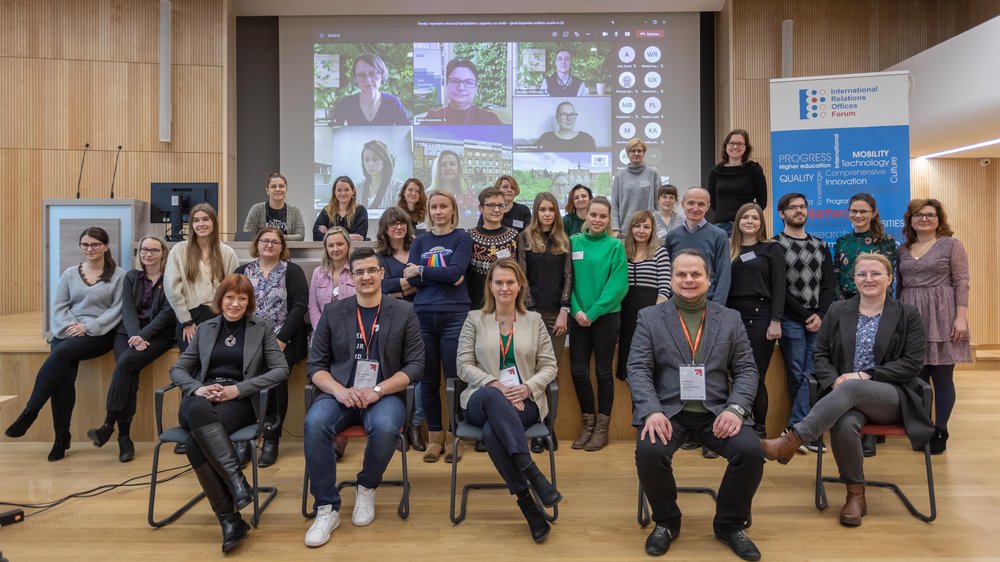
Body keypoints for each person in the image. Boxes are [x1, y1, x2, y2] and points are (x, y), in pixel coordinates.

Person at [762, 253, 932, 528]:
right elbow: (820, 354)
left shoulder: (907, 314)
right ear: (853, 279)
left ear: (890, 278)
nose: (868, 279)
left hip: (892, 396)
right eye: (862, 274)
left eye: (876, 273)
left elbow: (912, 364)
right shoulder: (839, 310)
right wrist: (834, 381)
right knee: (844, 422)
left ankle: (791, 441)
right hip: (844, 397)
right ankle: (855, 495)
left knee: (852, 388)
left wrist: (864, 375)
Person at [628, 250, 763, 560]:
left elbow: (746, 370)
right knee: (649, 452)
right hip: (668, 412)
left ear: (708, 279)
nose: (688, 280)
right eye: (681, 274)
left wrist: (736, 409)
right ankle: (666, 522)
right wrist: (651, 411)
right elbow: (637, 368)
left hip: (716, 411)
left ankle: (729, 524)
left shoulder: (729, 318)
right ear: (672, 279)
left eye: (695, 274)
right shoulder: (650, 317)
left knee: (750, 451)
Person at [303, 247, 424, 547]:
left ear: (382, 273)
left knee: (385, 429)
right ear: (352, 276)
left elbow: (416, 365)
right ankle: (326, 507)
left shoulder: (404, 311)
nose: (366, 276)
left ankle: (367, 486)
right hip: (338, 394)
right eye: (359, 272)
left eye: (372, 270)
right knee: (315, 424)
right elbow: (316, 366)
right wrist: (340, 391)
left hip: (383, 395)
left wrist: (378, 390)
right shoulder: (333, 311)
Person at [168, 274, 289, 553]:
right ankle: (237, 482)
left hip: (238, 400)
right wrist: (197, 388)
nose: (235, 303)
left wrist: (239, 390)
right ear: (220, 299)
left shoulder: (262, 328)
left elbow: (280, 370)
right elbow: (178, 369)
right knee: (196, 407)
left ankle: (230, 520)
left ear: (249, 302)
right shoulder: (206, 328)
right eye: (230, 297)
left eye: (242, 298)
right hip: (202, 398)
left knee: (193, 443)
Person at [456, 260, 561, 543]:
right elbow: (463, 365)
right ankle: (533, 473)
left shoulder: (534, 321)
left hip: (523, 400)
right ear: (490, 286)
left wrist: (528, 388)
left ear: (520, 287)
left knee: (493, 432)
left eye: (510, 282)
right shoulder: (474, 318)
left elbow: (550, 366)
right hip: (481, 398)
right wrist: (493, 384)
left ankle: (527, 504)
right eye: (498, 282)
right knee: (493, 396)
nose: (504, 287)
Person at [5, 227, 125, 462]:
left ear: (106, 246)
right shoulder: (70, 273)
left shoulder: (119, 275)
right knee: (64, 377)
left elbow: (117, 310)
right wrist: (72, 326)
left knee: (61, 354)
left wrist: (87, 327)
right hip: (68, 330)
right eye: (85, 245)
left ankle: (31, 412)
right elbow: (59, 306)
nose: (89, 249)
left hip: (98, 334)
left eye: (95, 244)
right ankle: (61, 437)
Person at [86, 236, 176, 463]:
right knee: (129, 372)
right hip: (127, 333)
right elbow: (127, 309)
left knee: (126, 364)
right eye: (145, 250)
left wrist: (143, 336)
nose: (148, 254)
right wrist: (135, 336)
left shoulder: (171, 279)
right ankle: (123, 437)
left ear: (163, 253)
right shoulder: (132, 277)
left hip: (157, 336)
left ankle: (109, 426)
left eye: (154, 250)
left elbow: (167, 314)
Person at [404, 190, 473, 462]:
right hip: (422, 315)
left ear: (453, 209)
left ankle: (456, 436)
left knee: (456, 380)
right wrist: (439, 276)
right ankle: (435, 437)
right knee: (429, 380)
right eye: (434, 207)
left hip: (455, 315)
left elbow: (456, 272)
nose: (438, 211)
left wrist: (422, 271)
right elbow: (412, 281)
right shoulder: (420, 240)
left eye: (444, 206)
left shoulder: (462, 238)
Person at [897, 198, 971, 454]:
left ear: (939, 219)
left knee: (941, 377)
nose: (924, 219)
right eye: (918, 215)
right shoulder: (903, 249)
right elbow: (899, 286)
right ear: (910, 220)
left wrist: (960, 317)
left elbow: (962, 282)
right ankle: (923, 427)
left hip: (942, 314)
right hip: (911, 316)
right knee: (917, 378)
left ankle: (941, 429)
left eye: (930, 215)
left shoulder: (951, 245)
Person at [234, 228, 309, 467]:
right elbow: (233, 306)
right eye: (265, 241)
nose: (269, 245)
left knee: (275, 382)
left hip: (282, 338)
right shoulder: (242, 271)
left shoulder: (292, 271)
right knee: (240, 381)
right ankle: (243, 440)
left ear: (282, 246)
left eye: (275, 242)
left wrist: (282, 338)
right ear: (257, 244)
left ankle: (271, 439)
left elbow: (299, 306)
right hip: (247, 338)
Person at [773, 193, 835, 452]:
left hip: (818, 320)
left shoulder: (821, 245)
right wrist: (804, 315)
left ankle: (796, 431)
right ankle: (804, 433)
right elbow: (778, 288)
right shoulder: (774, 245)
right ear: (781, 213)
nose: (799, 211)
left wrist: (820, 314)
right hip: (791, 319)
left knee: (814, 374)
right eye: (793, 208)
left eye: (803, 207)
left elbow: (829, 285)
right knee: (798, 374)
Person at [568, 196, 628, 452]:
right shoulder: (572, 242)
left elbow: (618, 285)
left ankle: (602, 429)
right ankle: (588, 424)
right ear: (586, 215)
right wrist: (576, 309)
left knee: (603, 373)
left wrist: (593, 311)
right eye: (593, 214)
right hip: (577, 317)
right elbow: (566, 281)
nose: (597, 219)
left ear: (608, 219)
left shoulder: (615, 246)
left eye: (603, 216)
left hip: (605, 317)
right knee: (579, 372)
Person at [518, 192, 572, 452]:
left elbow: (568, 278)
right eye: (542, 209)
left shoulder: (564, 240)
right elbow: (521, 277)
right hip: (530, 314)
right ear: (536, 212)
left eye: (551, 209)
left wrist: (565, 309)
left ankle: (548, 429)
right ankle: (535, 424)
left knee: (551, 374)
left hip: (555, 317)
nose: (547, 214)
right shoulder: (526, 239)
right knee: (530, 373)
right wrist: (529, 311)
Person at [726, 203, 785, 437]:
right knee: (730, 374)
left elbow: (779, 287)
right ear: (738, 221)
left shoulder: (772, 249)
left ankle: (759, 429)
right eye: (745, 217)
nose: (750, 221)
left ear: (761, 223)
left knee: (754, 375)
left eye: (755, 218)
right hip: (731, 316)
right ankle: (735, 425)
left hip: (761, 317)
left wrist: (776, 320)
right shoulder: (729, 249)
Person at [375, 207, 425, 451]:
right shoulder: (380, 258)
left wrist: (399, 288)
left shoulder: (419, 249)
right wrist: (410, 284)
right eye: (393, 224)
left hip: (421, 318)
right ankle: (398, 428)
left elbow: (427, 281)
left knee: (419, 377)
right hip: (392, 321)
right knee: (393, 375)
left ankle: (415, 426)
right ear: (385, 228)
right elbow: (380, 288)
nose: (398, 227)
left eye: (402, 223)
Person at [164, 203, 239, 353]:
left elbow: (233, 288)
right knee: (192, 367)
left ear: (214, 222)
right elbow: (172, 289)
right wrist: (186, 321)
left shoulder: (227, 252)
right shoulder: (179, 250)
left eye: (205, 219)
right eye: (196, 220)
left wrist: (227, 319)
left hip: (219, 317)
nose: (201, 224)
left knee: (217, 365)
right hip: (190, 318)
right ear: (191, 224)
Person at [616, 210, 671, 383]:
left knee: (650, 365)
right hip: (625, 313)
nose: (641, 230)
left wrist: (655, 316)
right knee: (628, 366)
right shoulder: (622, 252)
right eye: (637, 226)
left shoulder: (659, 252)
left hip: (650, 310)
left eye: (646, 227)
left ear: (652, 229)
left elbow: (664, 287)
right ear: (630, 228)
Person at [664, 187, 731, 304]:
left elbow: (724, 275)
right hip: (677, 304)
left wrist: (717, 307)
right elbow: (667, 272)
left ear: (708, 207)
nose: (695, 208)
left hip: (708, 303)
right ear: (682, 204)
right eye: (690, 203)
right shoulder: (672, 236)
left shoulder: (719, 236)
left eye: (701, 204)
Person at [467, 186, 524, 310]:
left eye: (501, 205)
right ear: (480, 208)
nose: (497, 210)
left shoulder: (513, 235)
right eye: (491, 205)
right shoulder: (469, 236)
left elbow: (521, 271)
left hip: (507, 305)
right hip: (477, 304)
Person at [833, 192, 898, 299]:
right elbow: (836, 275)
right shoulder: (842, 241)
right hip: (846, 303)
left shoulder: (885, 240)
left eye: (863, 211)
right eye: (854, 211)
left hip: (876, 300)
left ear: (874, 213)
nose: (858, 215)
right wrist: (841, 302)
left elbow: (887, 276)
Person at [706, 129, 767, 235]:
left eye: (740, 144)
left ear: (746, 148)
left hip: (747, 226)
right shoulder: (716, 171)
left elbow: (762, 201)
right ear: (726, 146)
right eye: (732, 143)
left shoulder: (754, 169)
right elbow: (713, 202)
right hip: (722, 226)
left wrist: (749, 217)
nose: (735, 147)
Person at [330, 53, 411, 126]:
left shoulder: (393, 103)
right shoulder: (346, 103)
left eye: (372, 73)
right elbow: (331, 131)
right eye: (361, 75)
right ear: (355, 79)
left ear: (381, 75)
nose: (368, 80)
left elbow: (408, 130)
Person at [424, 59, 502, 125]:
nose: (461, 88)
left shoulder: (490, 120)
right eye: (455, 81)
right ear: (446, 85)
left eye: (468, 82)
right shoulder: (432, 118)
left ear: (476, 88)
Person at [611, 138, 661, 238]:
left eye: (640, 150)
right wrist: (615, 228)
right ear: (627, 154)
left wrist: (659, 227)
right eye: (633, 151)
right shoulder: (619, 176)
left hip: (648, 228)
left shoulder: (653, 173)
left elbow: (659, 202)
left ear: (644, 153)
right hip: (626, 229)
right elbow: (614, 205)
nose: (636, 153)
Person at [309, 227, 355, 330]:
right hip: (323, 331)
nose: (335, 249)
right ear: (326, 248)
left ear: (348, 244)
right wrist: (321, 330)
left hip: (352, 331)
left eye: (340, 244)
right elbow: (313, 307)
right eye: (330, 245)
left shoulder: (357, 271)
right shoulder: (318, 272)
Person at [242, 172, 306, 241]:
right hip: (261, 251)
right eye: (273, 186)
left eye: (281, 186)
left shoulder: (295, 211)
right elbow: (247, 235)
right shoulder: (257, 209)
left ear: (286, 189)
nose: (278, 189)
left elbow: (300, 236)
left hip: (288, 251)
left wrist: (280, 238)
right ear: (267, 191)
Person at [312, 176, 369, 241]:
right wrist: (348, 237)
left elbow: (359, 237)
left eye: (347, 190)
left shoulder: (360, 211)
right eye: (339, 190)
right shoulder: (327, 211)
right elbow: (317, 236)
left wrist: (329, 233)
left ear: (353, 191)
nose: (343, 193)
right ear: (334, 192)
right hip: (332, 251)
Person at [358, 140, 405, 209]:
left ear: (385, 161)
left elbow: (398, 215)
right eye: (367, 160)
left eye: (375, 159)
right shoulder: (359, 186)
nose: (370, 164)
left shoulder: (397, 186)